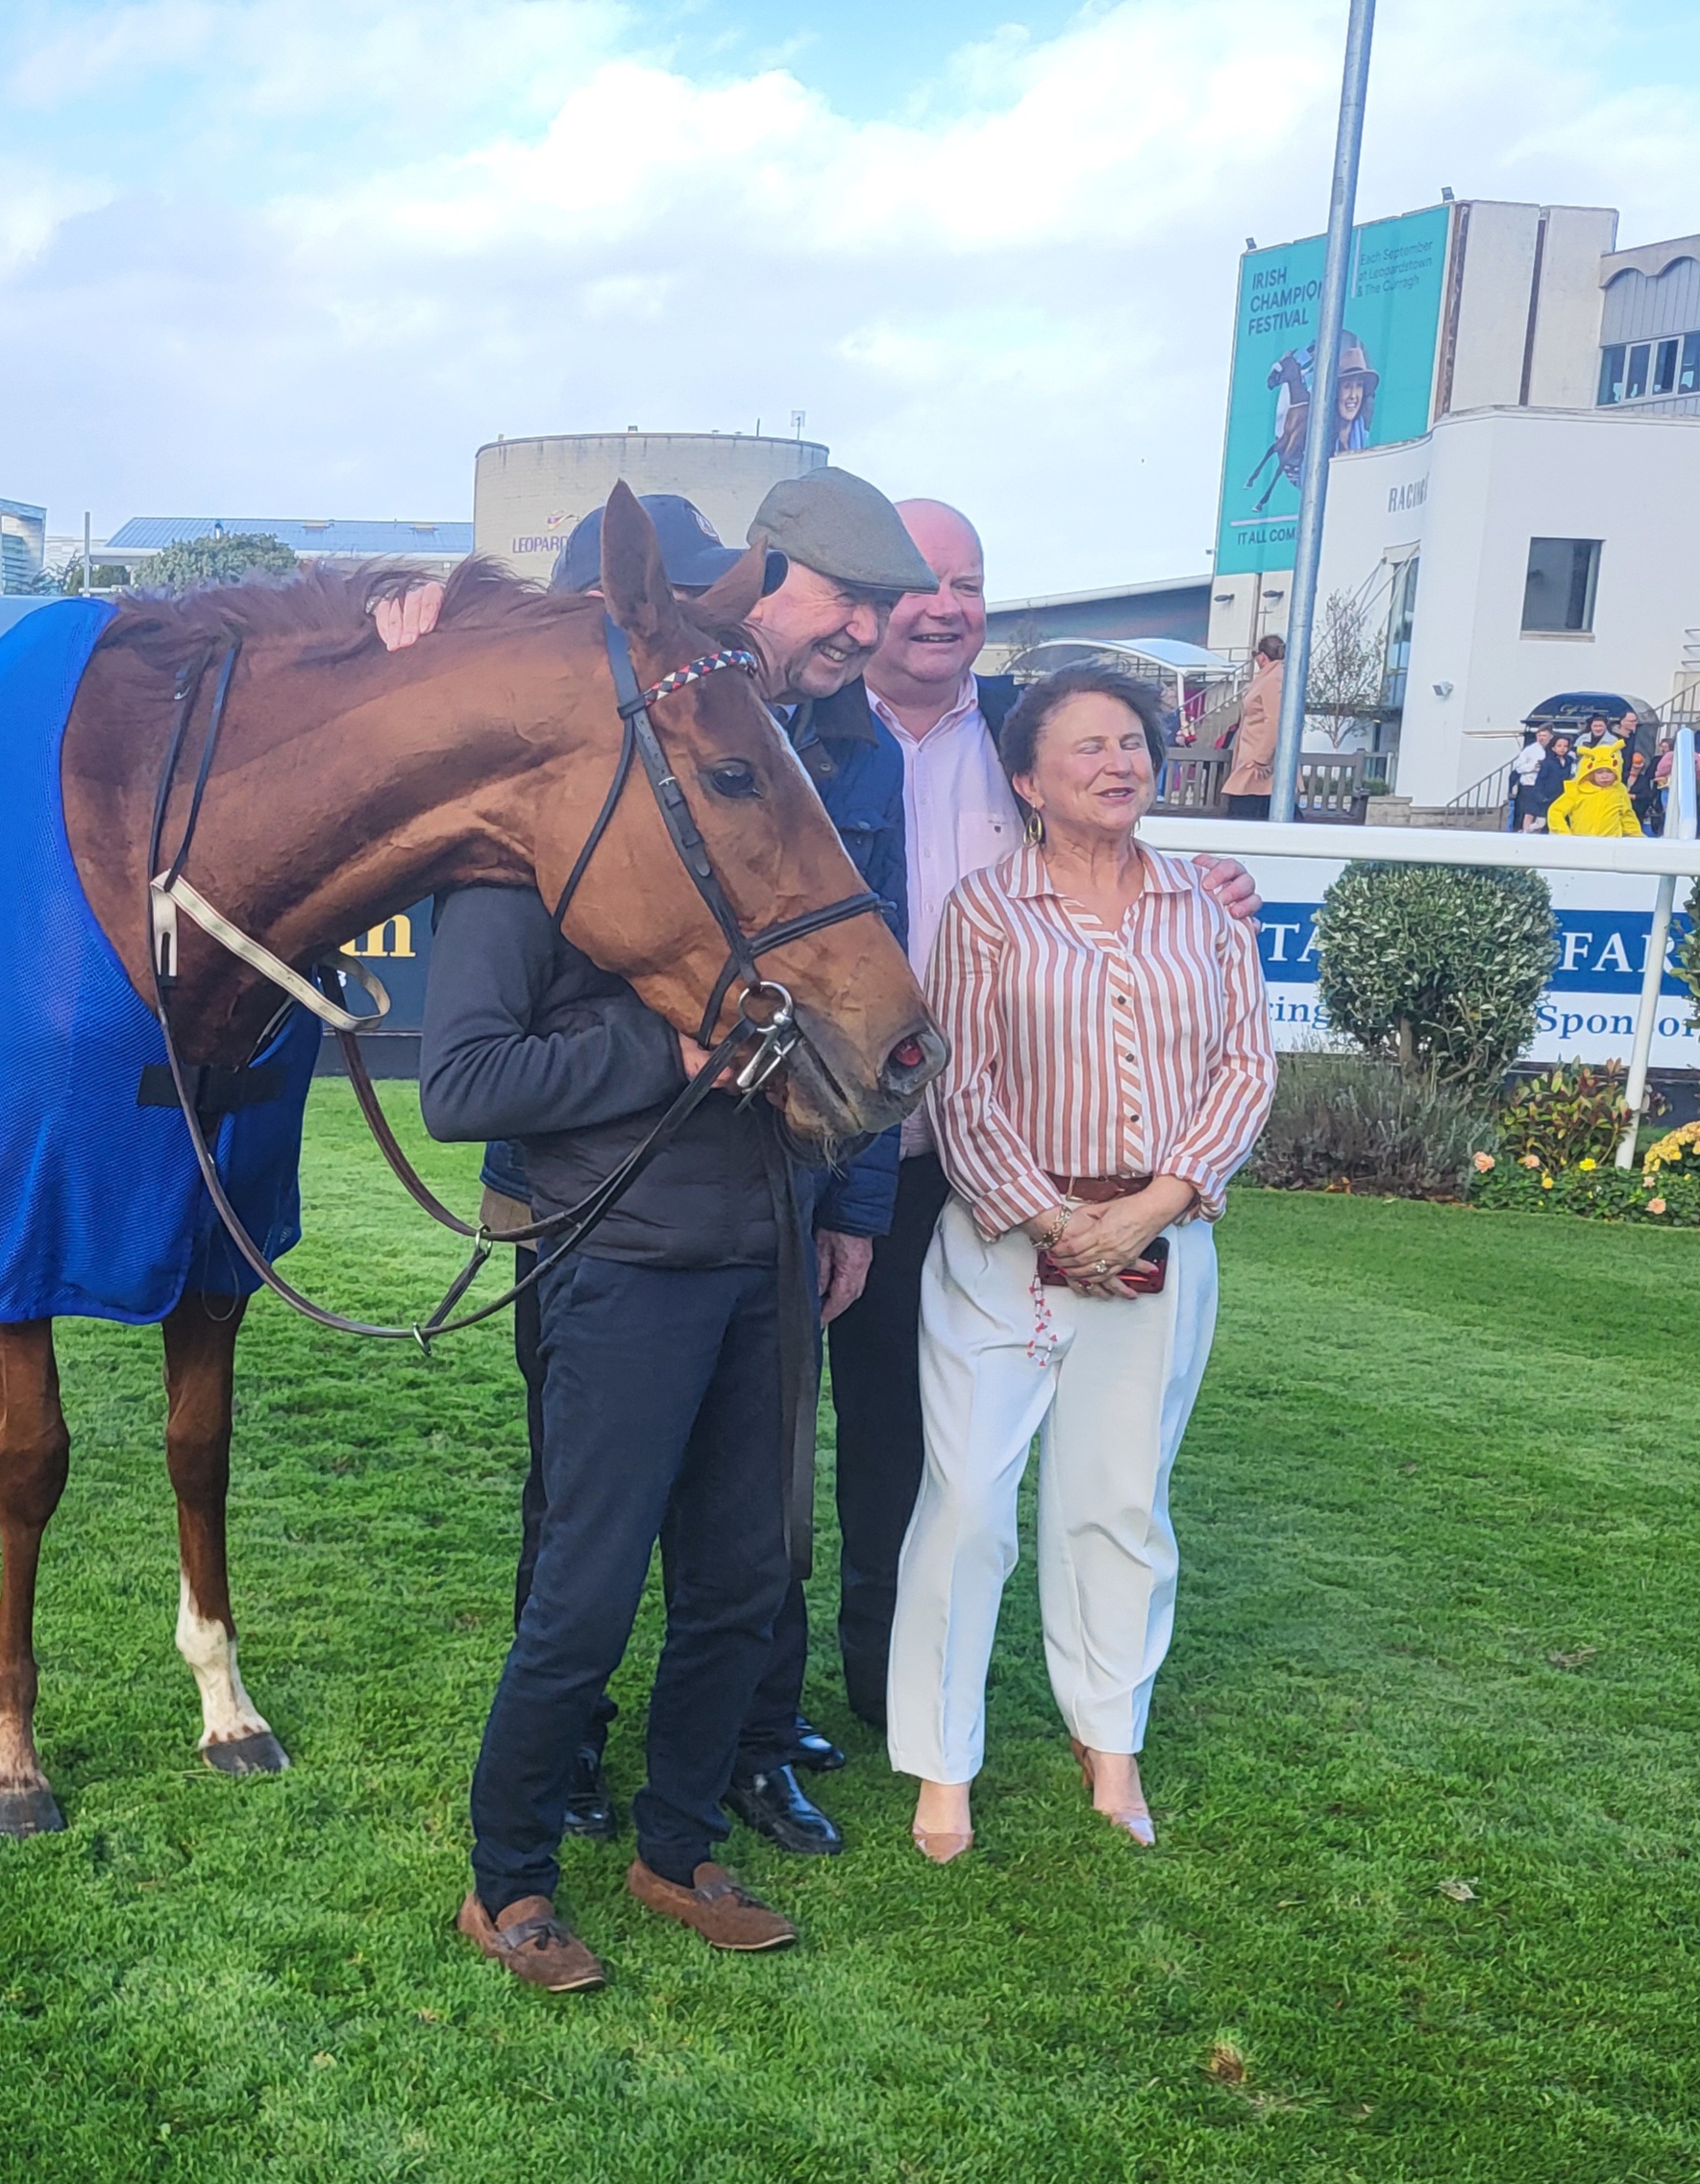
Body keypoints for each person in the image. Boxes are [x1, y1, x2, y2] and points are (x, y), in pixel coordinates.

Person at [425, 475, 936, 1993]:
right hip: (620, 1255)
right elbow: (461, 1081)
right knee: (583, 1589)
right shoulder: (520, 857)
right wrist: (667, 1052)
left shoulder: (751, 811)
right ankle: (508, 1878)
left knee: (738, 1580)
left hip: (758, 1246)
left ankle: (670, 1845)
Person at [816, 501, 1261, 1749]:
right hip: (817, 1141)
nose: (942, 604)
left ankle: (881, 1702)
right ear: (864, 599)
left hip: (960, 1169)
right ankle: (759, 1720)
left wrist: (1214, 880)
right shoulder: (798, 720)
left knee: (914, 1459)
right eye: (916, 582)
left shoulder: (1033, 721)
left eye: (966, 579)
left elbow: (1115, 861)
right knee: (776, 1455)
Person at [890, 664, 1274, 1863]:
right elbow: (962, 1087)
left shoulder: (1204, 906)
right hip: (1008, 1250)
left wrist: (1149, 1209)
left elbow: (1245, 1070)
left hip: (1161, 1249)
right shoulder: (986, 911)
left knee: (1119, 1505)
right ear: (1026, 780)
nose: (1119, 763)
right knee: (966, 1510)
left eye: (1133, 742)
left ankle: (1112, 1741)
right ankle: (942, 1764)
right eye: (1086, 748)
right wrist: (1063, 1225)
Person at [1219, 634, 1284, 819]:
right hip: (1258, 763)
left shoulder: (1273, 679)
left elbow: (1275, 720)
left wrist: (1261, 759)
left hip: (1258, 766)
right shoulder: (1272, 676)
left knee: (1244, 815)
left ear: (1262, 656)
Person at [1547, 737, 1641, 835]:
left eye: (1609, 771)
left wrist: (1637, 837)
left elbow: (1627, 816)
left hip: (1610, 844)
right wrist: (1565, 834)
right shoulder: (1576, 790)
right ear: (1590, 773)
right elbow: (1555, 811)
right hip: (1582, 843)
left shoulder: (1619, 789)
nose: (1605, 776)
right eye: (1599, 772)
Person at [1508, 724, 1557, 831]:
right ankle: (1525, 832)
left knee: (1543, 814)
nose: (1541, 738)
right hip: (1530, 786)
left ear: (1551, 737)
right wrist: (1532, 767)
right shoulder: (1530, 750)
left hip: (1545, 787)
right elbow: (1518, 767)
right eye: (1539, 735)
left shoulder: (1553, 750)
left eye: (1544, 735)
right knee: (1528, 812)